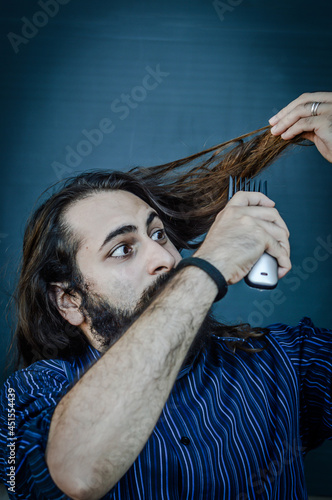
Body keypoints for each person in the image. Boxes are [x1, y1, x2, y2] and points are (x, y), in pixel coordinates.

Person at [0, 92, 331, 500]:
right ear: (70, 301)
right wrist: (209, 264)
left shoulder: (285, 363)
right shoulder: (28, 397)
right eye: (123, 249)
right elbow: (77, 471)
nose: (164, 256)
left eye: (159, 234)